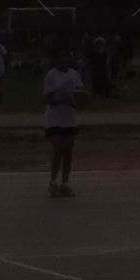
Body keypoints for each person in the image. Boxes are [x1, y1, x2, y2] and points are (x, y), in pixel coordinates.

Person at [43, 47, 87, 197]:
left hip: (69, 119)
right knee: (58, 148)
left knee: (68, 150)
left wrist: (79, 101)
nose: (65, 60)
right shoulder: (51, 75)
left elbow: (80, 96)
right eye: (62, 57)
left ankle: (65, 183)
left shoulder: (75, 75)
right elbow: (49, 99)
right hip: (54, 118)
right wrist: (64, 100)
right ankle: (53, 181)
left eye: (67, 57)